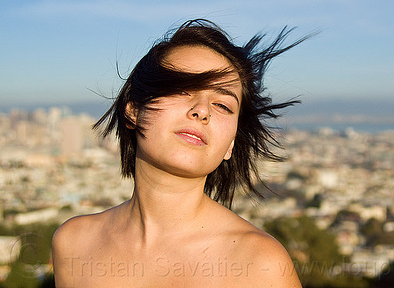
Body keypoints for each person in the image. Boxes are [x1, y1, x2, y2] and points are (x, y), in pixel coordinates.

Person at [52, 19, 310, 287]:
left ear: (231, 144)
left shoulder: (260, 265)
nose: (202, 110)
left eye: (222, 105)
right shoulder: (73, 243)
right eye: (182, 89)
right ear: (133, 110)